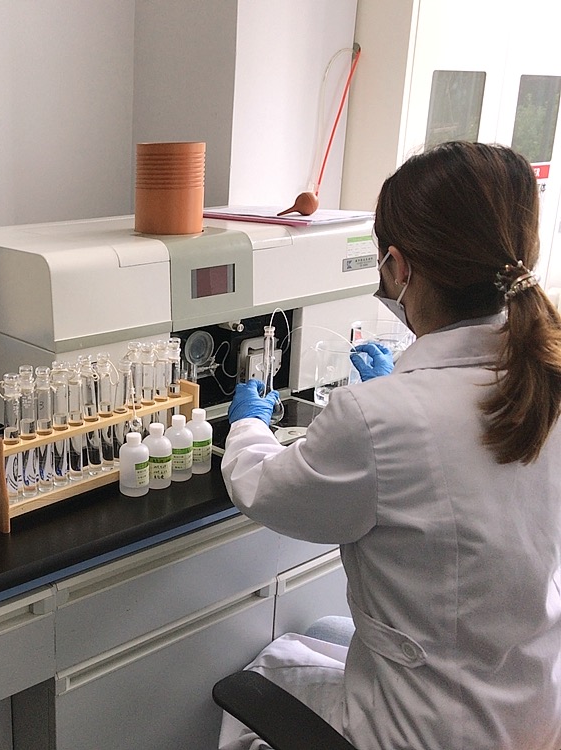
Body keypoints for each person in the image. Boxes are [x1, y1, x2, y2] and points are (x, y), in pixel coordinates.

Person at [219, 141, 561, 750]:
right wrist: (395, 387)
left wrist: (246, 426)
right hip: (531, 712)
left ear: (398, 268)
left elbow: (267, 491)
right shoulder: (544, 378)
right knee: (327, 630)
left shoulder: (380, 419)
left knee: (265, 669)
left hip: (425, 733)